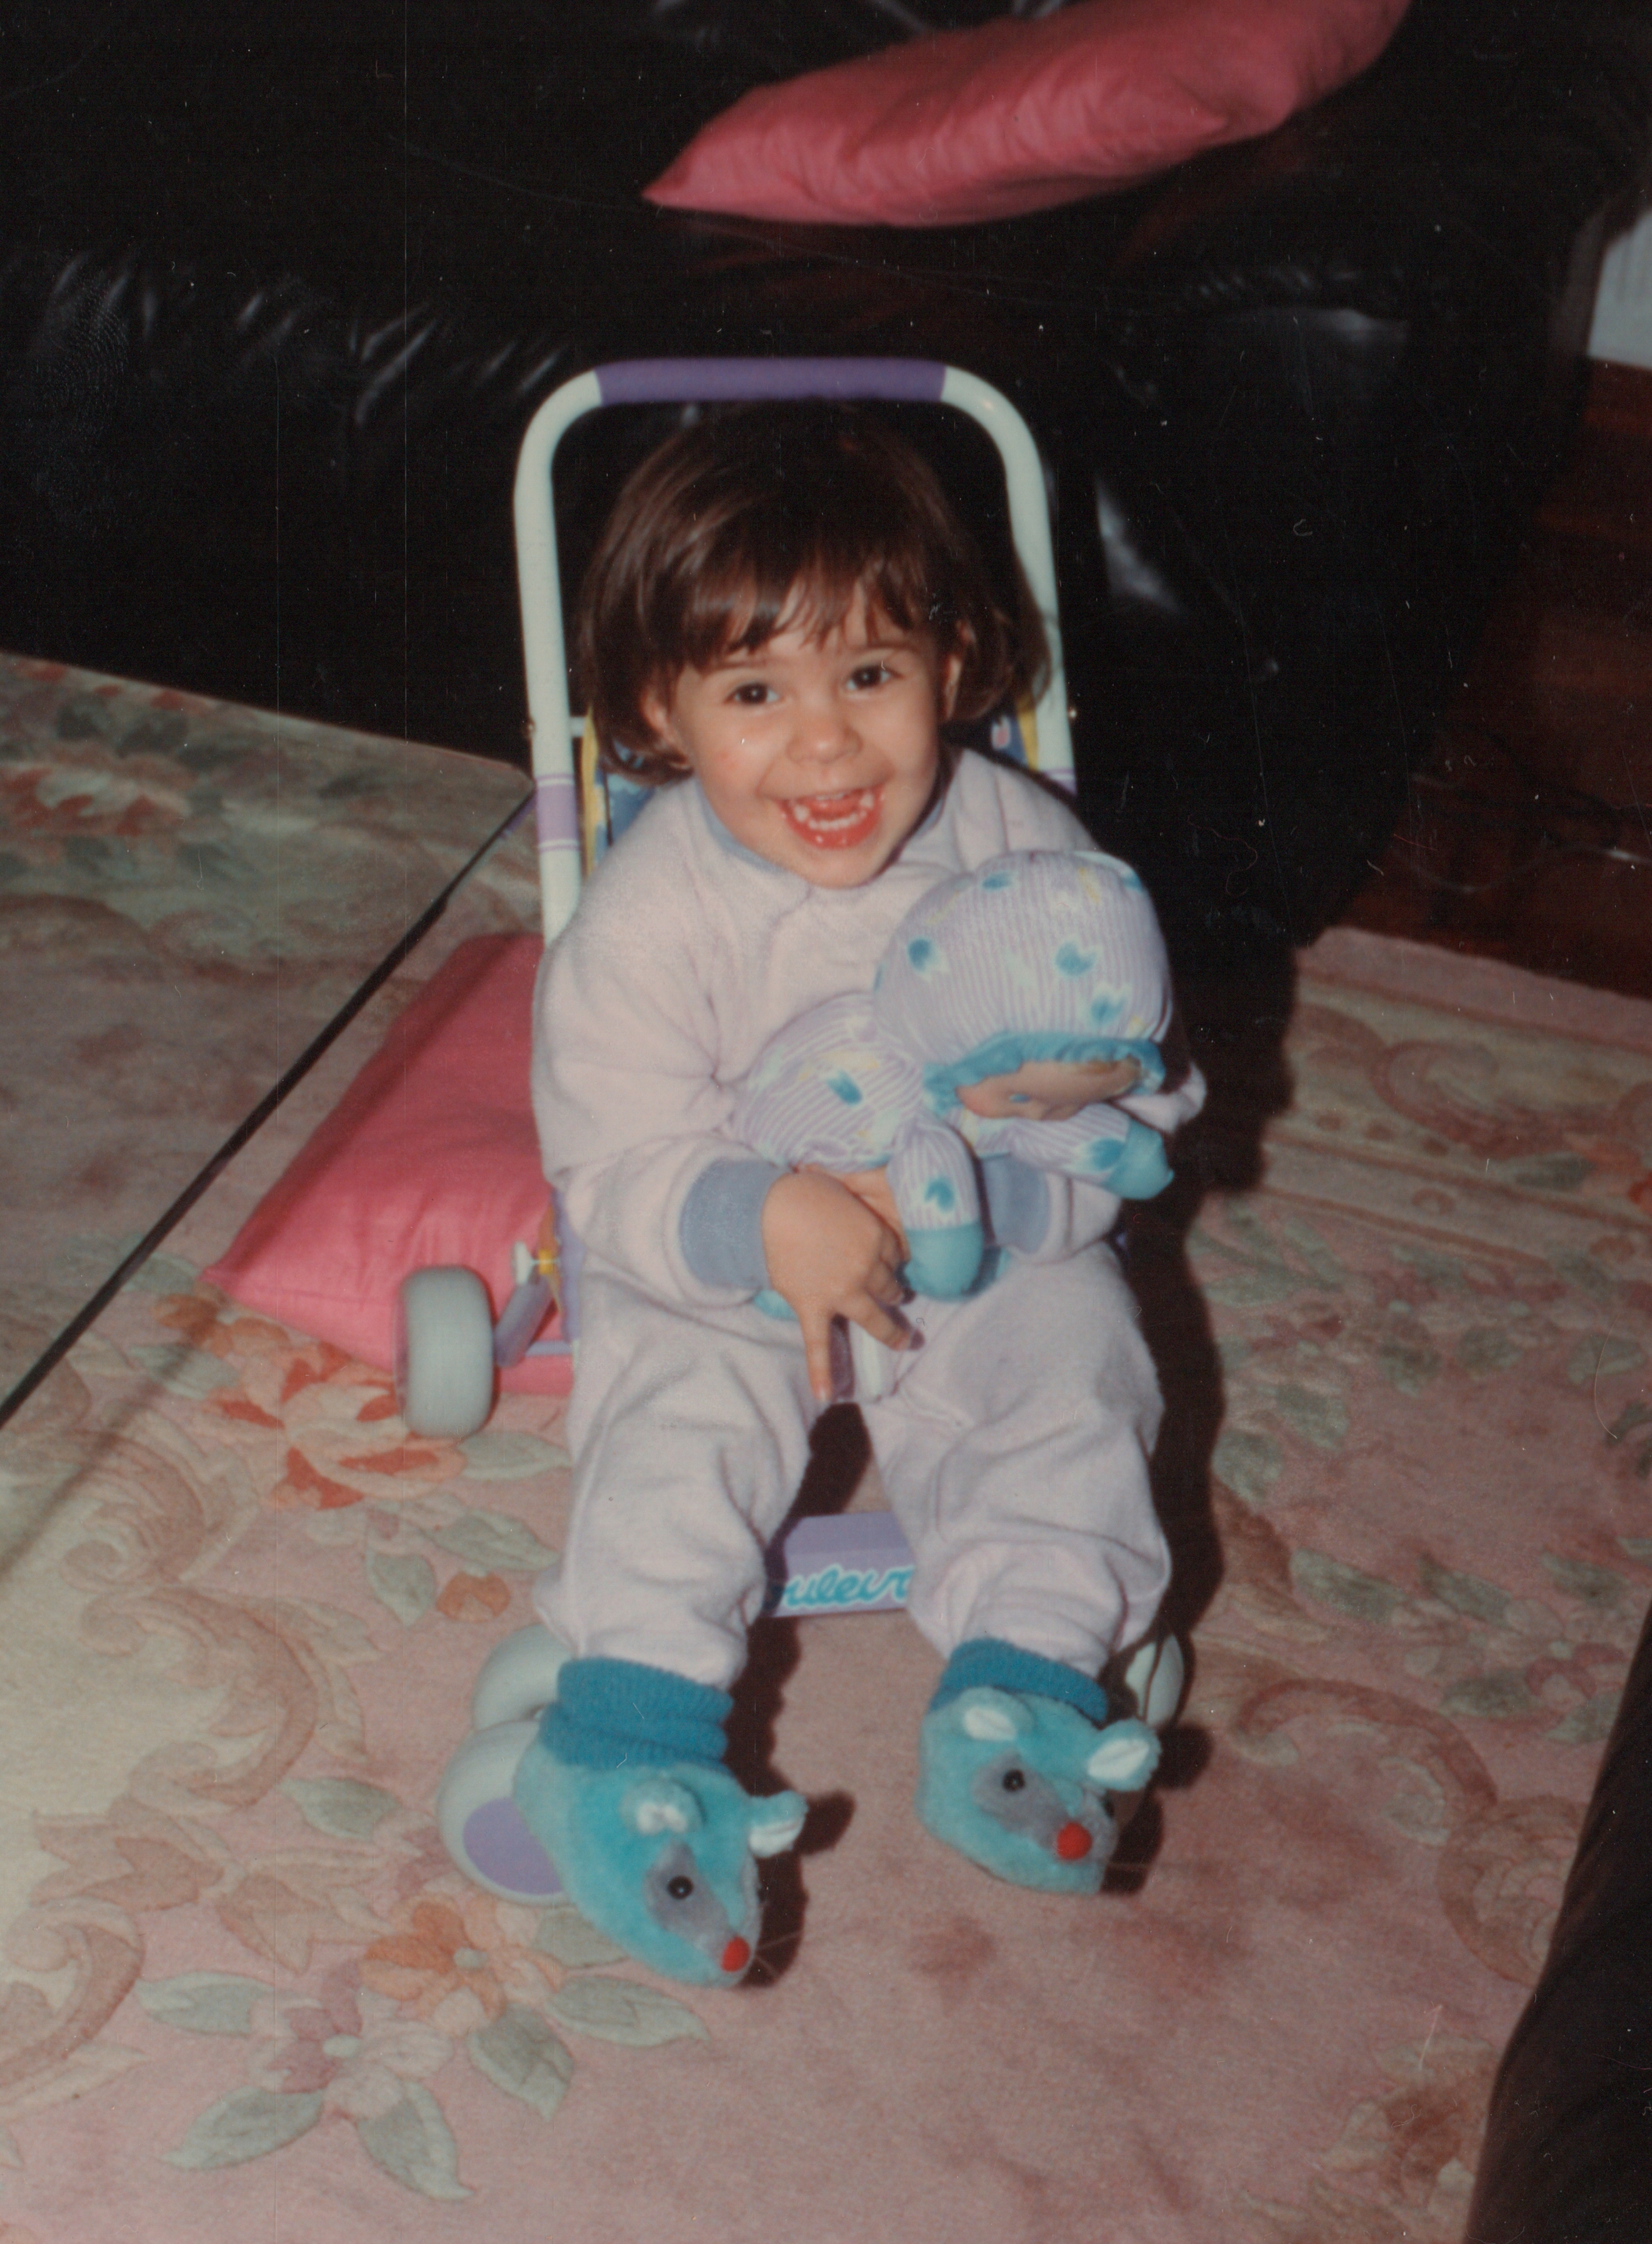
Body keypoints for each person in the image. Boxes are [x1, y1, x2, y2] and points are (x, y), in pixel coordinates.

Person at [515, 406, 1205, 1985]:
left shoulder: (1021, 843)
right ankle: (625, 1736)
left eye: (869, 678)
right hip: (726, 1245)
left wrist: (1055, 1167)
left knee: (1074, 1370)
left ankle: (1022, 1684)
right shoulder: (651, 913)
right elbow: (609, 1157)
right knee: (676, 1416)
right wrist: (755, 1212)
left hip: (980, 1228)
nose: (824, 747)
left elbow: (1139, 1063)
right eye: (754, 693)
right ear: (657, 710)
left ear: (951, 672)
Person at [731, 846, 1186, 1312]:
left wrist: (1135, 1158)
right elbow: (938, 1201)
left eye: (1064, 1104)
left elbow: (1061, 1133)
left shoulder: (1011, 1105)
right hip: (790, 1176)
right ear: (959, 1054)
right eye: (1020, 1095)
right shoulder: (923, 1114)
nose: (1037, 1114)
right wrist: (942, 1271)